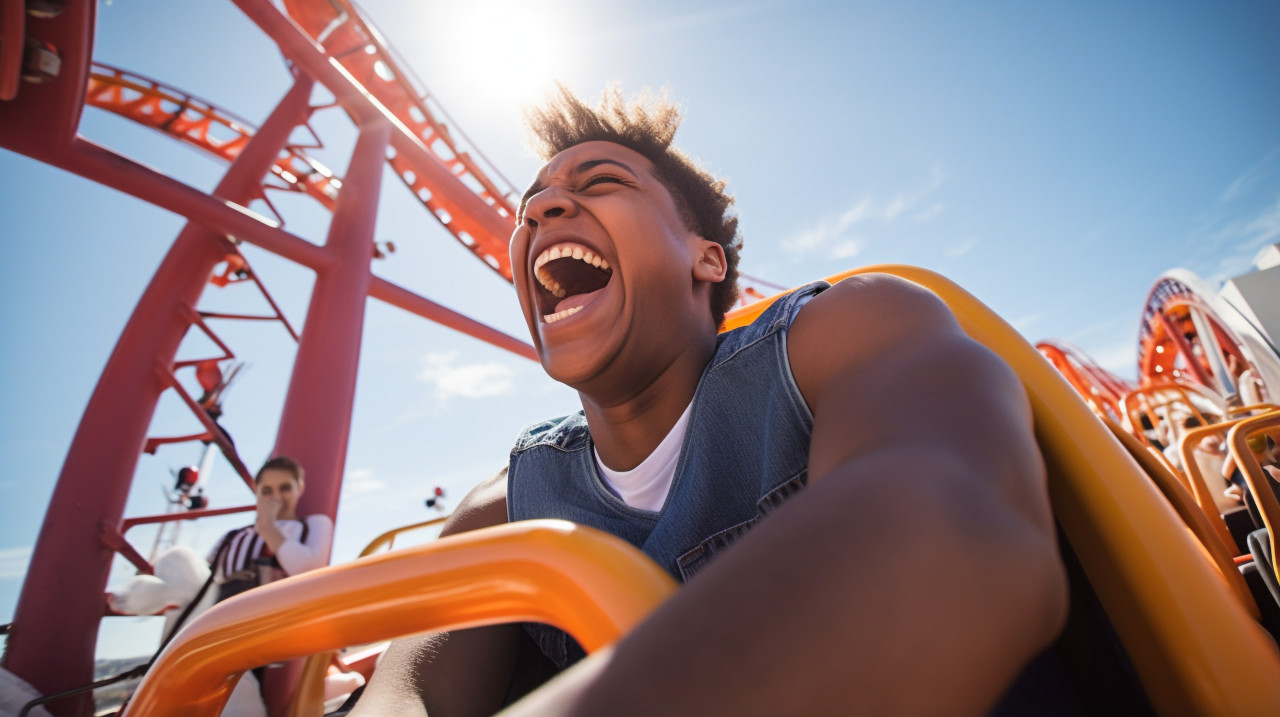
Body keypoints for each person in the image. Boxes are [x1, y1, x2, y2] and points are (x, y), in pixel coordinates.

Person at [352, 86, 1066, 715]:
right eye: (528, 206)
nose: (540, 208)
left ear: (708, 258)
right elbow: (408, 694)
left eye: (600, 181)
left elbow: (959, 530)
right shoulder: (508, 503)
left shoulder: (839, 336)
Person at [210, 456, 335, 716]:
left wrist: (268, 528)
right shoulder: (232, 537)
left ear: (299, 488)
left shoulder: (313, 525)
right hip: (225, 634)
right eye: (267, 491)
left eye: (285, 488)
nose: (276, 497)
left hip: (279, 637)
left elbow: (308, 570)